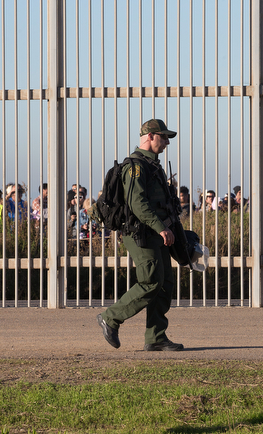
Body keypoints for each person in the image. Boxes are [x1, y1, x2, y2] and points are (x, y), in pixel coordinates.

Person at [98, 118, 183, 352]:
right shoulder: (135, 166)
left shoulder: (152, 165)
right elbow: (138, 204)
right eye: (163, 137)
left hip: (156, 232)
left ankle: (156, 337)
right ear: (150, 136)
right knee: (151, 281)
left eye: (167, 138)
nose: (166, 142)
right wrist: (161, 227)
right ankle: (110, 317)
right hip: (141, 233)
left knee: (164, 283)